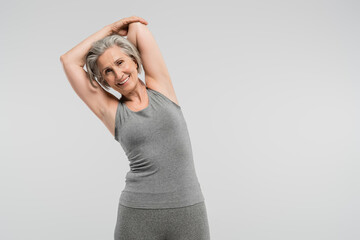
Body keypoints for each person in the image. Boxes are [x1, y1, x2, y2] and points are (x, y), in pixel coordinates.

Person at [60, 16, 210, 240]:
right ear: (104, 81)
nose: (118, 74)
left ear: (134, 60)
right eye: (108, 71)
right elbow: (69, 60)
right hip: (138, 214)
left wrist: (117, 36)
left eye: (120, 62)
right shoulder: (111, 111)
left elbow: (138, 28)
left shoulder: (161, 88)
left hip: (189, 210)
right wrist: (109, 29)